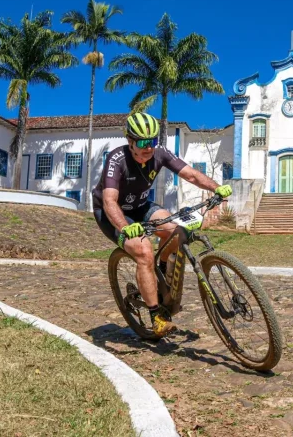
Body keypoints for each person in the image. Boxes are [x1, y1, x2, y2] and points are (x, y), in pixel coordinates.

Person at [92, 112, 232, 337]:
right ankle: (156, 316)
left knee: (176, 231)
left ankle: (162, 274)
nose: (149, 147)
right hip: (113, 214)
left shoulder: (160, 153)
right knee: (144, 251)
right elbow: (109, 201)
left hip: (140, 206)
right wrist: (125, 228)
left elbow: (192, 175)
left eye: (153, 141)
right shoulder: (117, 160)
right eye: (143, 142)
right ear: (130, 141)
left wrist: (216, 187)